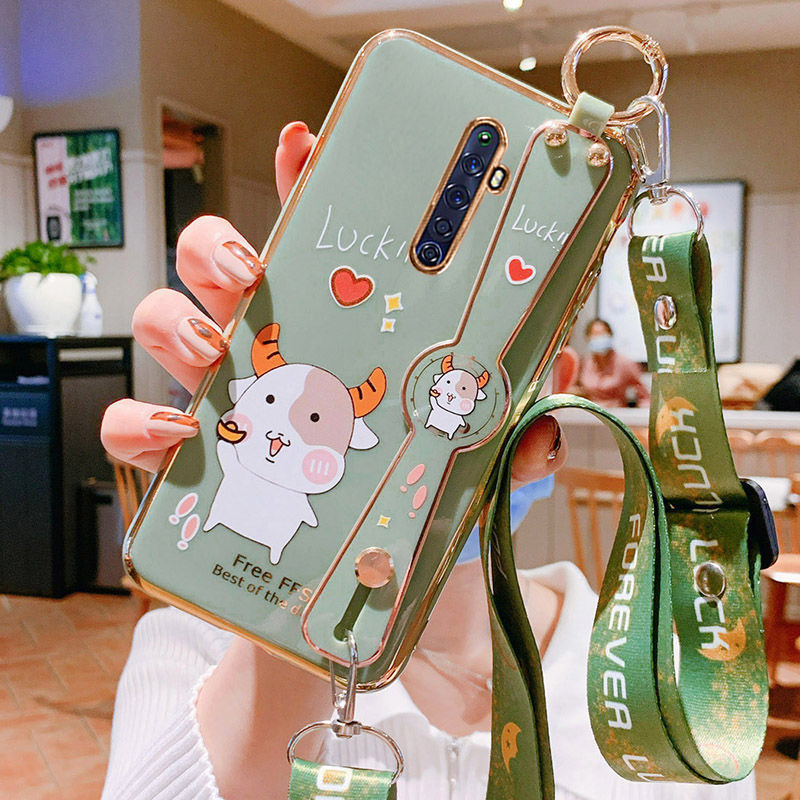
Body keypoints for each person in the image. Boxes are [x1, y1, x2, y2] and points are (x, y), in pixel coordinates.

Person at [99, 122, 754, 800]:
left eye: (467, 353)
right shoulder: (192, 647)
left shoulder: (662, 680)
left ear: (553, 385)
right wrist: (295, 599)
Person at [576, 318, 649, 407]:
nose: (599, 338)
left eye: (602, 334)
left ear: (610, 335)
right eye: (595, 334)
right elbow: (579, 390)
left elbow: (644, 396)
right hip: (590, 411)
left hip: (616, 411)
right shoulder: (585, 363)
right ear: (588, 338)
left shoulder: (625, 363)